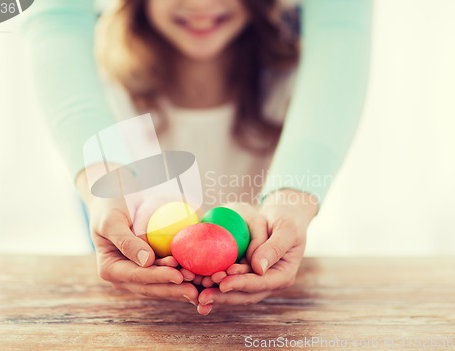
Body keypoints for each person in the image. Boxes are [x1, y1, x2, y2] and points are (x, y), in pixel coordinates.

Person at [20, 0, 372, 316]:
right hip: (135, 307)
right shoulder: (102, 85)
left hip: (265, 303)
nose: (200, 4)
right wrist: (104, 182)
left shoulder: (296, 79)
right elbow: (53, 14)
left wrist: (291, 204)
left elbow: (342, 22)